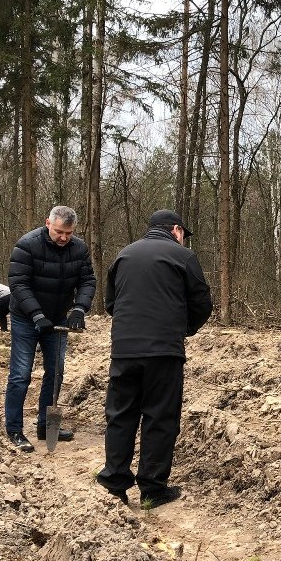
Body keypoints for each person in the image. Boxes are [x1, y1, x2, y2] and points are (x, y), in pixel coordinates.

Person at [96, 209, 212, 508]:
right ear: (176, 230)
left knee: (121, 414)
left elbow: (111, 303)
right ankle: (152, 488)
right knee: (160, 416)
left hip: (124, 349)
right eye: (184, 234)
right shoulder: (182, 256)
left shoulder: (124, 255)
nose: (184, 239)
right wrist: (184, 329)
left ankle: (114, 484)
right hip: (164, 350)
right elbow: (201, 302)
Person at [4, 206, 96, 453]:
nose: (64, 237)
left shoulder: (79, 248)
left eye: (69, 233)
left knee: (55, 373)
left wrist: (78, 309)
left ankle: (46, 426)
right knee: (21, 374)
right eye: (59, 232)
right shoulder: (27, 245)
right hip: (26, 317)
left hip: (57, 319)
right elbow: (18, 283)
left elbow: (87, 281)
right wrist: (36, 314)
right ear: (48, 223)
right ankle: (14, 429)